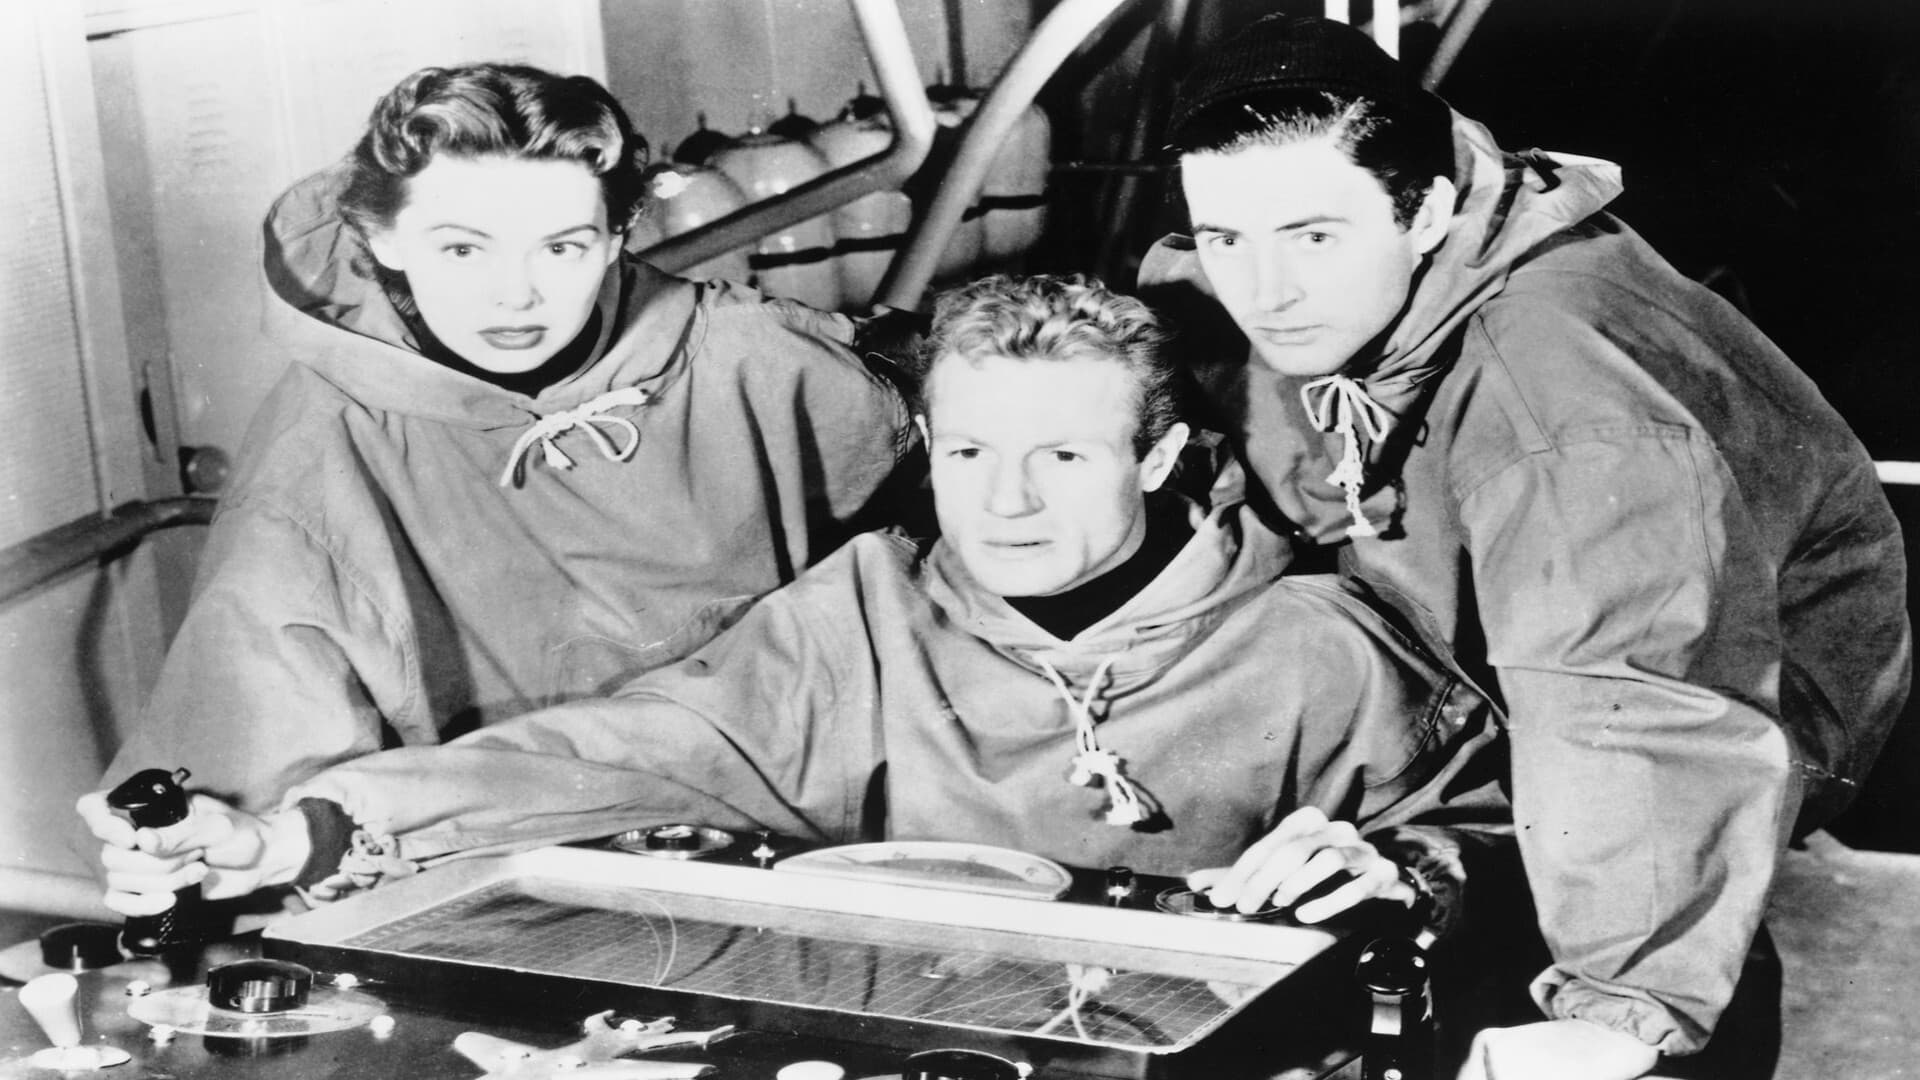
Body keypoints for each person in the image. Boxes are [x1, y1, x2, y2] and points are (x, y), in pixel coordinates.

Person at [80, 274, 1505, 946]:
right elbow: (605, 754)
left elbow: (1511, 846)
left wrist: (1406, 868)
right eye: (969, 453)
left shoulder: (1322, 650)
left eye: (1064, 458)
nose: (1004, 504)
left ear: (1159, 457)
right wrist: (299, 831)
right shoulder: (860, 623)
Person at [1135, 14, 1911, 1080]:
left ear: (1427, 211)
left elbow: (1631, 689)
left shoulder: (1559, 398)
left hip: (1732, 688)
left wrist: (1623, 1014)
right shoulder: (1359, 263)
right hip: (1508, 640)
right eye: (1227, 240)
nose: (1265, 291)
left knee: (1624, 926)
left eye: (1313, 238)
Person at [93, 64, 915, 832]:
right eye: (462, 249)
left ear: (618, 233)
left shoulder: (740, 352)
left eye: (561, 247)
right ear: (383, 238)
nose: (515, 295)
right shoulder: (324, 444)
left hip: (770, 821)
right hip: (487, 851)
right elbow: (253, 780)